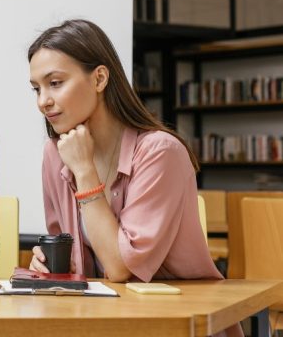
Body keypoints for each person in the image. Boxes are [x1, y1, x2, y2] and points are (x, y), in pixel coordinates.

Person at [27, 19, 242, 337]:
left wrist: (85, 172)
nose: (42, 100)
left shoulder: (159, 152)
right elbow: (72, 259)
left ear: (99, 78)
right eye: (36, 88)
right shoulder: (55, 153)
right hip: (108, 322)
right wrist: (46, 265)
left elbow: (121, 268)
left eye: (55, 83)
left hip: (177, 324)